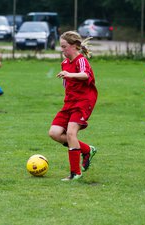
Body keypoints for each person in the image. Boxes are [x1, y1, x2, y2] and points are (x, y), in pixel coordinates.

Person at [48, 31, 98, 181]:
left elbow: (85, 75)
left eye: (64, 47)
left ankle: (75, 173)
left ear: (74, 46)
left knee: (71, 133)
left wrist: (70, 75)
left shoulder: (81, 60)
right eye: (61, 47)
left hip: (84, 102)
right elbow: (67, 85)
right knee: (54, 133)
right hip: (69, 102)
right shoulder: (64, 63)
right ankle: (87, 149)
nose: (62, 50)